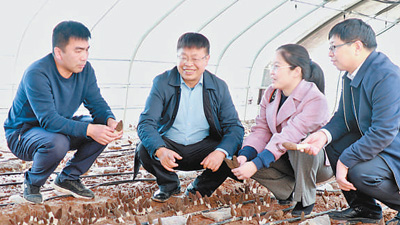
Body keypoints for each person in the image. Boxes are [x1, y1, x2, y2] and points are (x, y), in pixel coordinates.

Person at [3, 21, 123, 204]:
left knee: (103, 130)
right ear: (58, 52)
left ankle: (68, 178)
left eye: (87, 50)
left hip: (57, 126)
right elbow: (49, 120)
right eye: (78, 51)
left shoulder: (85, 70)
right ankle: (33, 182)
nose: (85, 57)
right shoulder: (37, 74)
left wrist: (109, 120)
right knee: (59, 142)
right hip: (23, 133)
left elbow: (96, 103)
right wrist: (89, 130)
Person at [302, 18, 400, 224]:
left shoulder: (386, 76)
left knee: (362, 172)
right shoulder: (350, 75)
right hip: (382, 143)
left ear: (357, 46)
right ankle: (365, 209)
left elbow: (383, 132)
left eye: (333, 47)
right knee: (333, 144)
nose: (329, 54)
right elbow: (344, 118)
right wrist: (323, 135)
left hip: (394, 147)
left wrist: (346, 161)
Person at [136, 32, 244, 202]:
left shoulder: (219, 86)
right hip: (170, 148)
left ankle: (199, 189)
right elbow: (146, 123)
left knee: (232, 150)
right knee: (144, 148)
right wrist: (160, 150)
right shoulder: (162, 82)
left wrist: (220, 153)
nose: (188, 64)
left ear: (206, 59)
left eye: (195, 58)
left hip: (204, 149)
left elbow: (234, 127)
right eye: (183, 57)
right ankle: (168, 184)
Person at [232, 44, 333, 216]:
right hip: (284, 156)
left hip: (315, 164)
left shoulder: (315, 99)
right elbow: (261, 129)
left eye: (277, 66)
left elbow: (290, 134)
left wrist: (255, 164)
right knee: (242, 150)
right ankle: (286, 190)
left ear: (296, 71)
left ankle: (305, 198)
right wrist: (245, 155)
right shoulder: (271, 93)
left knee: (299, 144)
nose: (272, 71)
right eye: (272, 66)